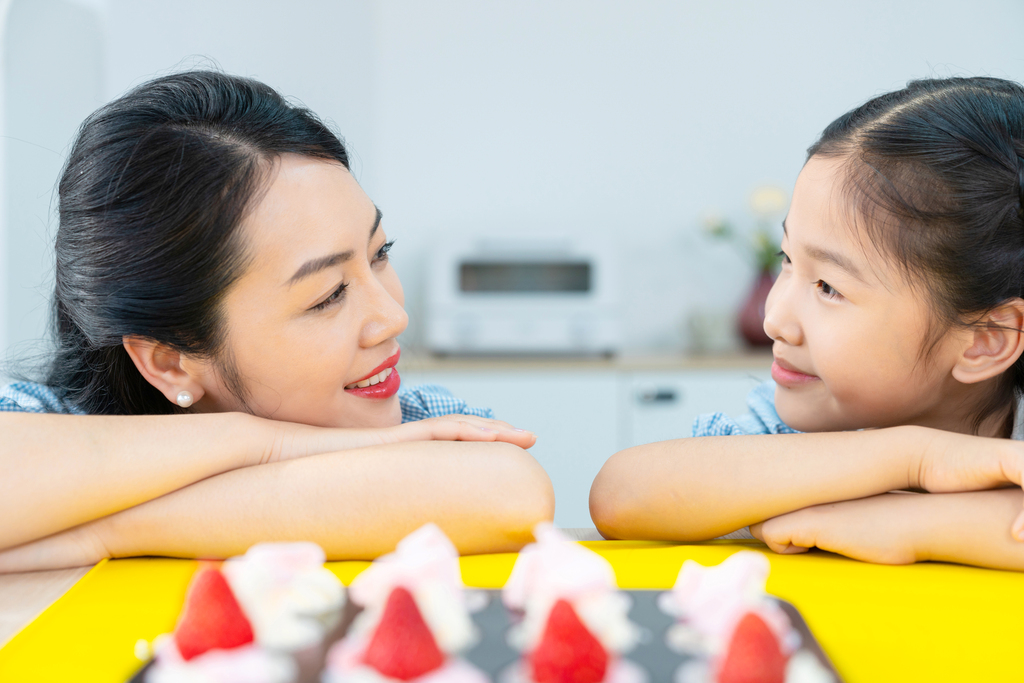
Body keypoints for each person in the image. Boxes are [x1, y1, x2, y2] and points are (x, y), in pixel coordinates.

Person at [0, 71, 553, 572]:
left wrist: (112, 528)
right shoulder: (47, 423)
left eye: (380, 254)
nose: (393, 316)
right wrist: (261, 443)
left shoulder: (420, 417)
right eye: (328, 294)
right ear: (171, 362)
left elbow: (511, 493)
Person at [590, 76, 1024, 571]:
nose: (775, 318)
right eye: (787, 258)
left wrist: (909, 525)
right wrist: (916, 456)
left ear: (985, 341)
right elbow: (622, 495)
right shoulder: (802, 419)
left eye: (829, 288)